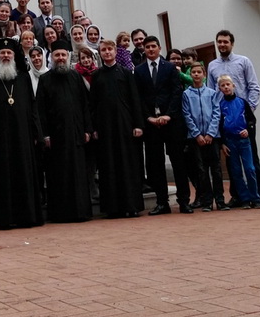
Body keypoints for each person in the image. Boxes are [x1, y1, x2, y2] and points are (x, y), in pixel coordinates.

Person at [0, 40, 44, 230]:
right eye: (2, 53)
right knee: (1, 178)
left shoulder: (23, 78)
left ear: (14, 56)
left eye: (9, 53)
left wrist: (36, 131)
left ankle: (26, 216)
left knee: (24, 175)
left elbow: (32, 106)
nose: (5, 56)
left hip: (23, 137)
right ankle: (1, 218)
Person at [134, 35, 192, 215]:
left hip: (171, 123)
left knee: (178, 163)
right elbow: (139, 97)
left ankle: (184, 201)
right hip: (152, 125)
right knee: (155, 165)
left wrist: (168, 115)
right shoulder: (139, 70)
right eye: (147, 47)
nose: (150, 49)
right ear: (144, 49)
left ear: (159, 48)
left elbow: (177, 92)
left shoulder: (170, 68)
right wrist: (148, 117)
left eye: (153, 46)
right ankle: (162, 202)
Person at [36, 41, 92, 223]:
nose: (60, 58)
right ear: (51, 57)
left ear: (68, 56)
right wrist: (44, 135)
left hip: (76, 134)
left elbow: (85, 105)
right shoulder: (45, 80)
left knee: (78, 175)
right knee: (58, 176)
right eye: (57, 55)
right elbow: (40, 111)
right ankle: (60, 214)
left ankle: (81, 212)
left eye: (63, 55)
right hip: (56, 137)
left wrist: (87, 130)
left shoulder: (76, 77)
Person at [89, 39, 145, 219]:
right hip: (105, 128)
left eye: (109, 50)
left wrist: (138, 124)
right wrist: (94, 127)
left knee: (128, 165)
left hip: (125, 125)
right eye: (103, 50)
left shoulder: (126, 73)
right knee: (109, 166)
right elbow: (93, 104)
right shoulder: (96, 75)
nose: (107, 53)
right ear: (100, 53)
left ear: (115, 52)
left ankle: (132, 205)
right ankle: (112, 207)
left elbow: (135, 100)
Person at [207, 29, 260, 198]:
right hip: (225, 119)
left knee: (251, 158)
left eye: (225, 41)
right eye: (220, 42)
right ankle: (238, 195)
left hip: (243, 118)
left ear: (232, 43)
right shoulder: (212, 65)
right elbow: (211, 92)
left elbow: (254, 87)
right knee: (232, 161)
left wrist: (248, 111)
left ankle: (258, 193)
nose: (222, 44)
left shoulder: (243, 61)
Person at [182, 61, 227, 211]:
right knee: (202, 171)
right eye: (193, 72)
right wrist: (197, 134)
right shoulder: (186, 94)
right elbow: (187, 115)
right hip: (196, 139)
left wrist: (210, 133)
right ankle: (207, 201)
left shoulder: (212, 93)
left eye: (199, 72)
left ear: (204, 74)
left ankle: (220, 200)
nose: (196, 74)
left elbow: (216, 113)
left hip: (212, 137)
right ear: (190, 74)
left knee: (216, 169)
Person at [217, 75, 260, 209]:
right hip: (230, 142)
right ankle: (244, 198)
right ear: (220, 89)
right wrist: (223, 143)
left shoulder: (242, 102)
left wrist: (248, 130)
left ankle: (255, 197)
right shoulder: (220, 106)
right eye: (223, 85)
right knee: (236, 171)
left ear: (233, 86)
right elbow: (219, 126)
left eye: (228, 84)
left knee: (250, 169)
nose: (226, 87)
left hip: (244, 141)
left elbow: (251, 120)